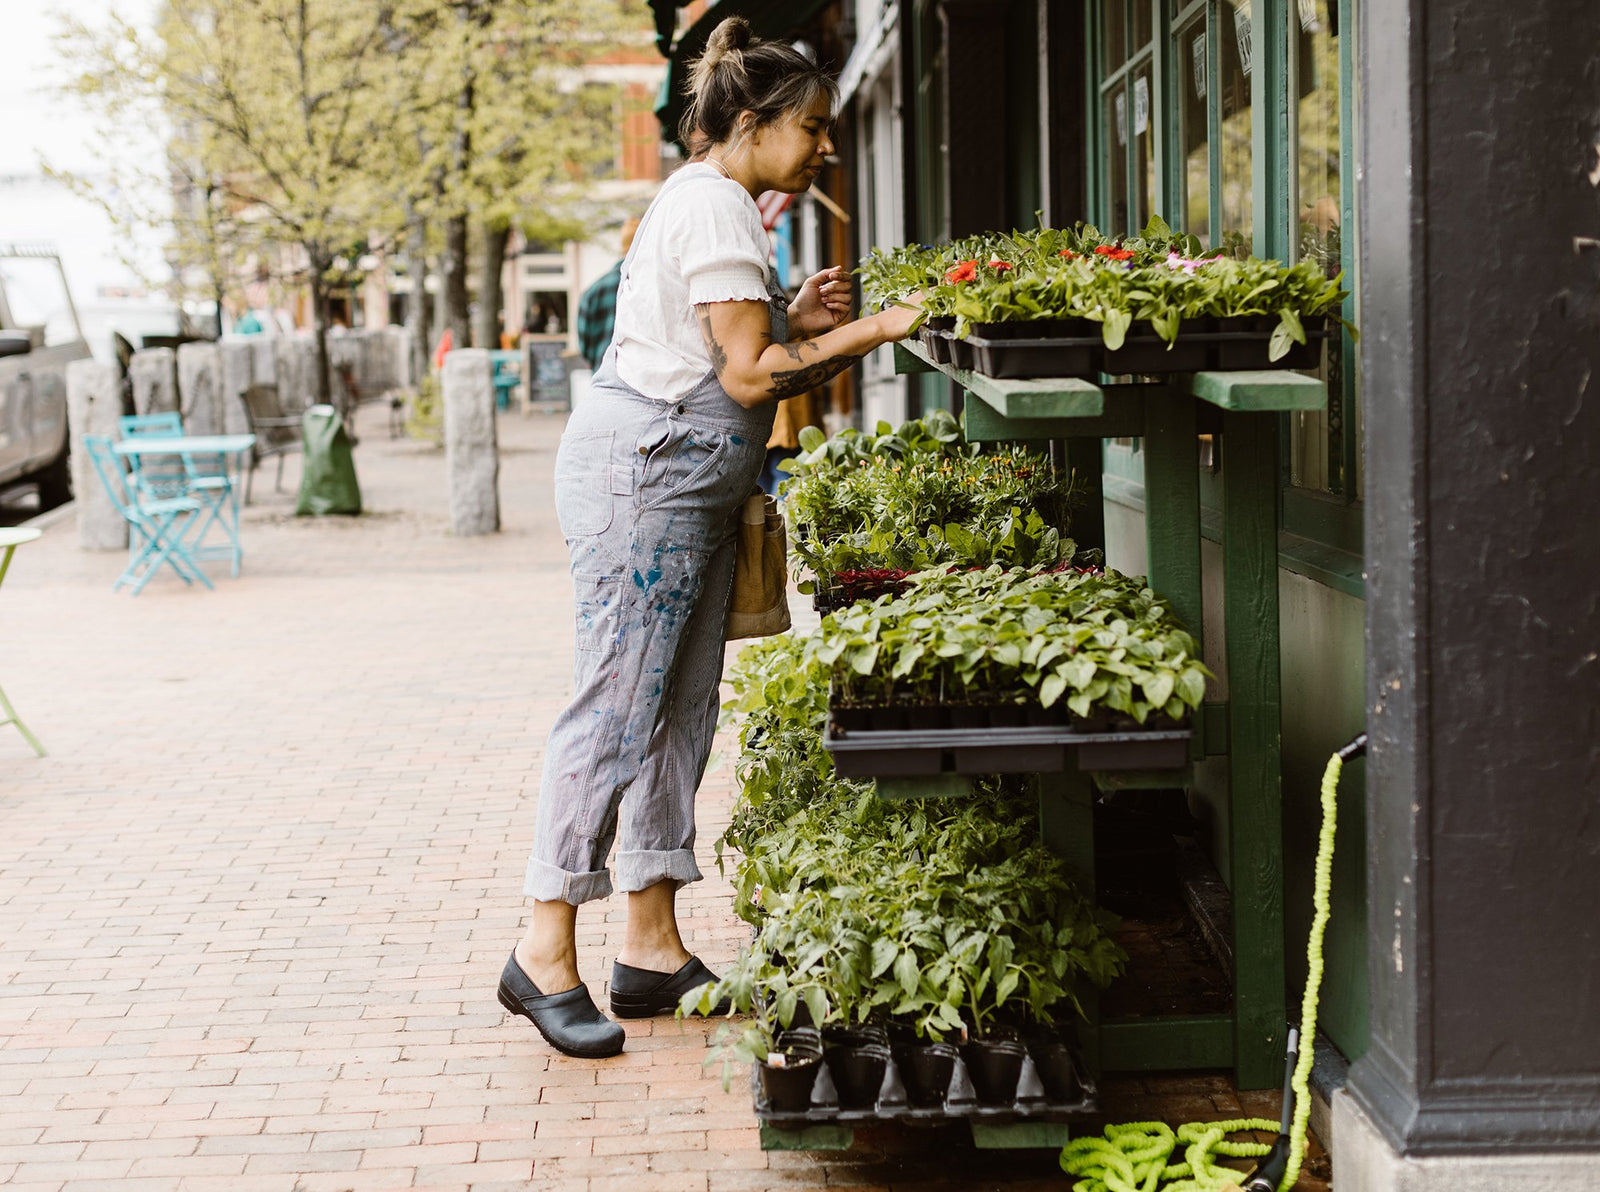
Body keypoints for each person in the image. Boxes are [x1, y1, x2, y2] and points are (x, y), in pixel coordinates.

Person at [498, 15, 922, 1058]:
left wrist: (791, 311)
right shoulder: (720, 207)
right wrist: (872, 329)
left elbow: (723, 339)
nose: (825, 145)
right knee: (613, 709)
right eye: (813, 127)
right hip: (649, 481)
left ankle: (647, 942)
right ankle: (541, 945)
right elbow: (743, 375)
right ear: (754, 121)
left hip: (675, 479)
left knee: (678, 708)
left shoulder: (707, 204)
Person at [576, 218, 643, 370]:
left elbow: (584, 347)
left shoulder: (594, 290)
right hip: (641, 382)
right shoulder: (650, 286)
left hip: (603, 377)